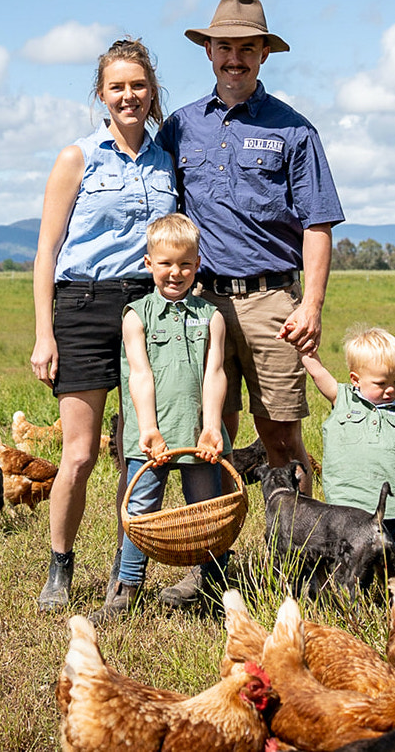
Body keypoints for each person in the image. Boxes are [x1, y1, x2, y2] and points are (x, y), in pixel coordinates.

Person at [156, 0, 344, 606]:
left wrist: (310, 306)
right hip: (200, 303)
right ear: (208, 52)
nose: (234, 58)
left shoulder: (293, 128)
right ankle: (208, 565)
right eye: (223, 47)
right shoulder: (181, 124)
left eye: (246, 47)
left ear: (265, 52)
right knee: (208, 432)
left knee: (280, 437)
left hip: (270, 301)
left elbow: (318, 225)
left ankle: (300, 563)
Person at [30, 38, 177, 613]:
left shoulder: (168, 159)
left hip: (146, 307)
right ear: (101, 94)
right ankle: (61, 567)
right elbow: (46, 252)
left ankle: (126, 570)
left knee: (138, 449)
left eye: (138, 85)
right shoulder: (78, 158)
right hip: (83, 305)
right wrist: (45, 335)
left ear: (152, 90)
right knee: (80, 452)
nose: (128, 96)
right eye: (117, 86)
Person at [89, 213, 231, 623]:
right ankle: (126, 589)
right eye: (166, 263)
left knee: (207, 510)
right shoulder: (136, 316)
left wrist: (210, 426)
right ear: (149, 263)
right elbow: (140, 374)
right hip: (148, 435)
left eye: (186, 264)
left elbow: (214, 373)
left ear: (197, 264)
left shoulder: (211, 316)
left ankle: (214, 585)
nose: (176, 272)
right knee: (141, 509)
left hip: (199, 434)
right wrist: (148, 428)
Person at [300, 325, 395, 598]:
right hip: (352, 508)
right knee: (353, 558)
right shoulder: (343, 401)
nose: (390, 390)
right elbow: (318, 374)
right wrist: (306, 352)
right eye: (381, 383)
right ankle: (356, 599)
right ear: (355, 379)